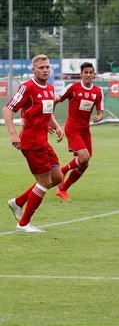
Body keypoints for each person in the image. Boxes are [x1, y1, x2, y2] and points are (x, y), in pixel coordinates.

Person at [3, 54, 64, 233]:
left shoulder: (50, 88)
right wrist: (13, 134)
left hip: (43, 141)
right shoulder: (27, 87)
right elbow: (7, 109)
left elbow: (48, 110)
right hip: (31, 141)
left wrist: (56, 126)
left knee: (57, 178)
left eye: (47, 67)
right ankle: (23, 224)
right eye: (41, 67)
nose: (45, 70)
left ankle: (18, 202)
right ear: (33, 70)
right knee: (45, 181)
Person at [54, 62, 104, 201]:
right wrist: (48, 118)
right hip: (72, 128)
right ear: (81, 74)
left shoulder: (98, 91)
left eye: (90, 72)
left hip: (85, 129)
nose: (88, 75)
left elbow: (100, 112)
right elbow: (57, 99)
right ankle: (63, 170)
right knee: (84, 157)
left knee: (85, 163)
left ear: (94, 74)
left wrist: (99, 116)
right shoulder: (73, 87)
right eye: (86, 72)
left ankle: (63, 190)